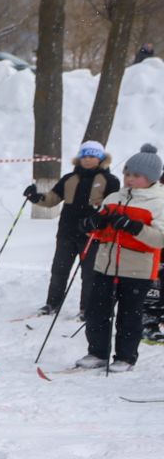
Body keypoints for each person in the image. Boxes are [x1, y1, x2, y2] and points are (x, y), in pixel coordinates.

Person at [76, 144, 164, 372]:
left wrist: (134, 227)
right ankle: (97, 353)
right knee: (96, 312)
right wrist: (91, 224)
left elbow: (160, 240)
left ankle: (125, 358)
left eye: (136, 175)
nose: (129, 179)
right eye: (127, 173)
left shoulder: (159, 202)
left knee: (128, 316)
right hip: (105, 265)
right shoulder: (114, 197)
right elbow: (96, 230)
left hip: (138, 269)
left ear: (151, 178)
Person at [27, 140, 120, 315]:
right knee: (59, 270)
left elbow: (113, 207)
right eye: (84, 156)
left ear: (100, 159)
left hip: (93, 235)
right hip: (67, 233)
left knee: (89, 274)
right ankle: (52, 304)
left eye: (92, 156)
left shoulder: (110, 180)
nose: (87, 159)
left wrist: (99, 219)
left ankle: (86, 308)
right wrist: (36, 197)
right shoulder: (69, 178)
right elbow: (52, 199)